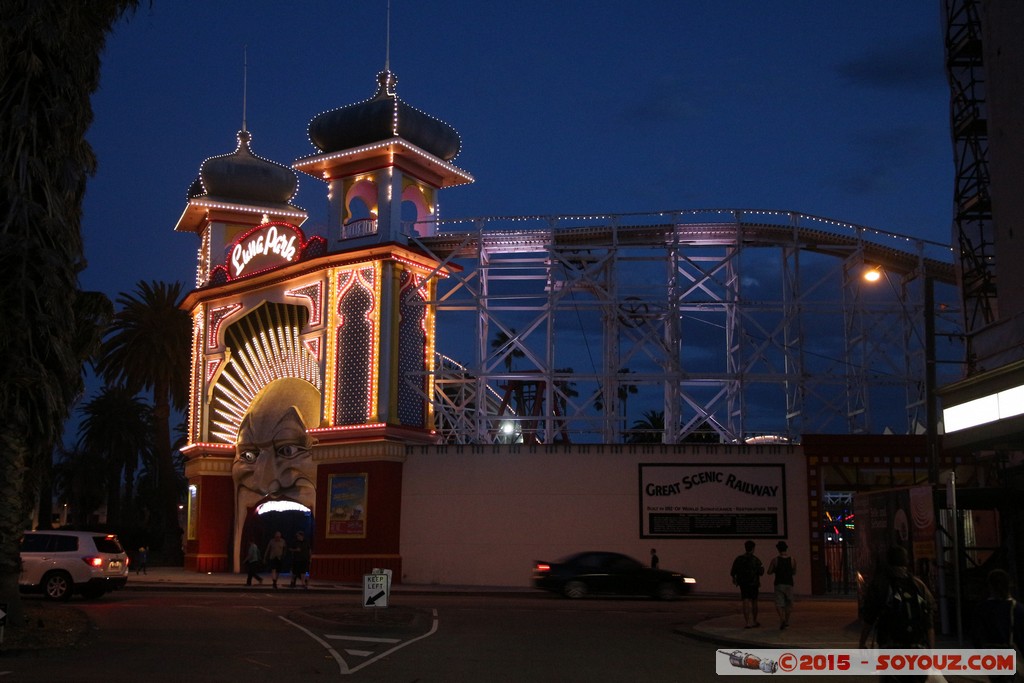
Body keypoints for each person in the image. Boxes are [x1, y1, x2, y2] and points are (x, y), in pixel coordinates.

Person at [859, 546, 935, 683]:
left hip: (891, 648)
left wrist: (862, 642)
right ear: (906, 562)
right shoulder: (918, 585)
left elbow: (869, 617)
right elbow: (928, 620)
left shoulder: (881, 585)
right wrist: (931, 650)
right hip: (917, 647)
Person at [970, 568, 1024, 682]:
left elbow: (976, 637)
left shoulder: (981, 608)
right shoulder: (1016, 609)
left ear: (990, 586)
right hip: (1011, 658)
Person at [730, 540, 764, 628]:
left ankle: (747, 622)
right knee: (754, 602)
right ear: (753, 548)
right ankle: (754, 621)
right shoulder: (756, 560)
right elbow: (761, 572)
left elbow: (733, 571)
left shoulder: (739, 559)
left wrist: (734, 579)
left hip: (743, 583)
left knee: (745, 601)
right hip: (754, 583)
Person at [767, 540, 796, 629]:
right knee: (789, 603)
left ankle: (782, 618)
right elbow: (794, 572)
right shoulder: (792, 559)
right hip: (789, 583)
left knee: (779, 603)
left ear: (778, 549)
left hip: (779, 583)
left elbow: (769, 572)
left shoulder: (775, 560)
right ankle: (786, 620)